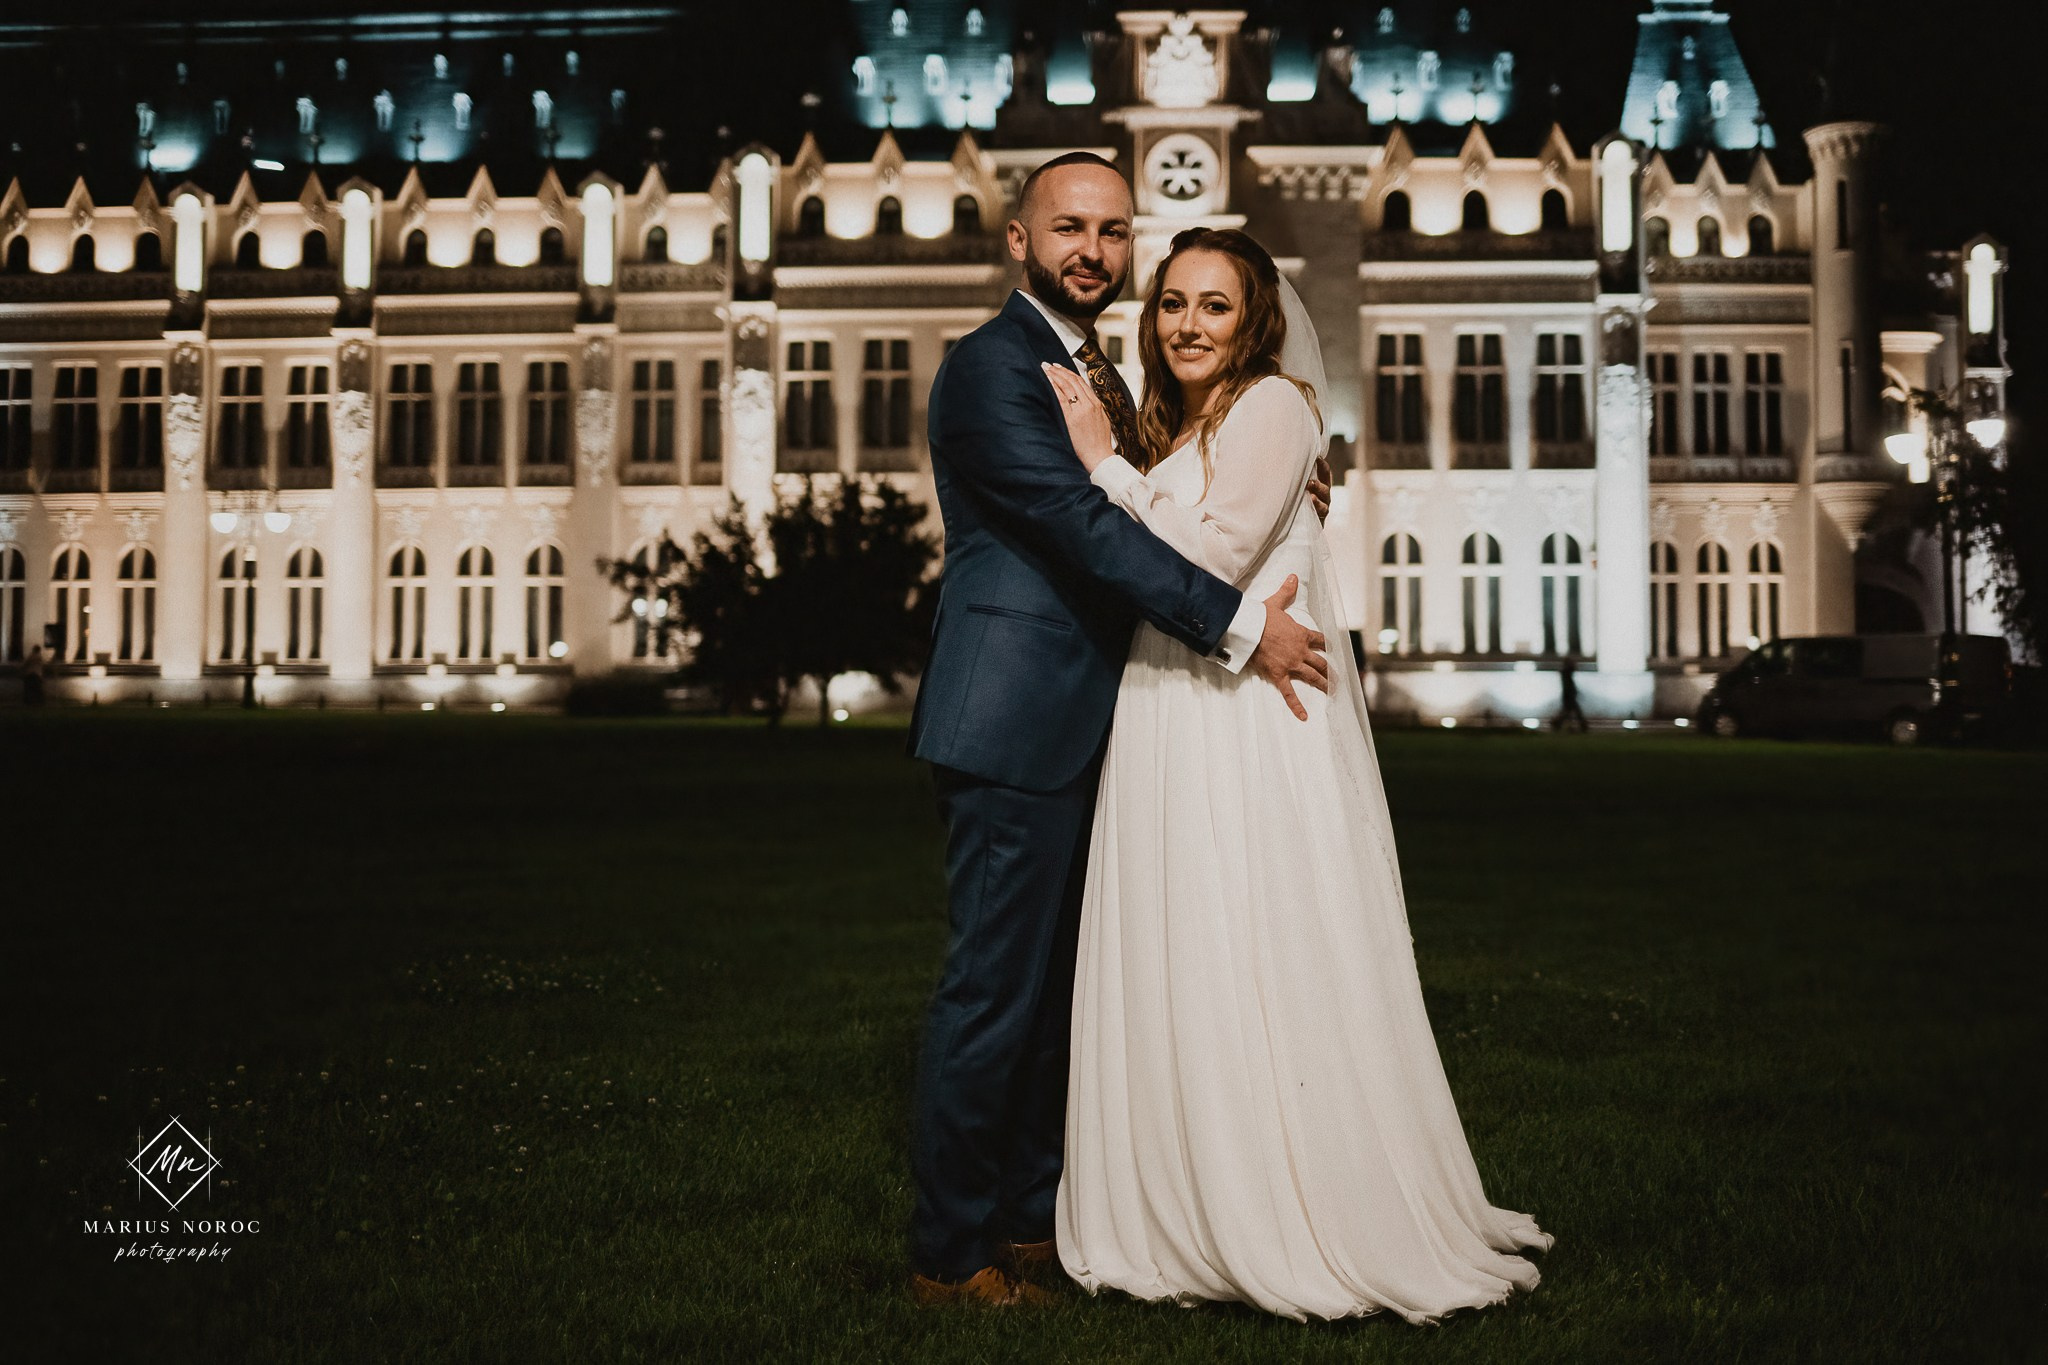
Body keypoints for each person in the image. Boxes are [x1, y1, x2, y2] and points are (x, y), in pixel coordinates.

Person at [1042, 226, 1553, 1324]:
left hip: (1237, 714)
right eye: (1171, 302)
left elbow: (1213, 557)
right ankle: (1186, 1196)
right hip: (1173, 701)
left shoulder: (1272, 405)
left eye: (1212, 306)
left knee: (1251, 935)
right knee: (1185, 939)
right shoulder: (1192, 419)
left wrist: (1104, 468)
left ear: (1255, 318)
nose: (1185, 323)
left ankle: (1279, 1199)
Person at [904, 153, 1335, 1308]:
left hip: (1100, 719)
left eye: (1110, 231)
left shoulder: (1098, 370)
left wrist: (1285, 483)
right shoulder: (996, 370)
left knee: (1057, 998)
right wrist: (1241, 625)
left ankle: (1034, 1222)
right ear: (1017, 242)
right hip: (1011, 718)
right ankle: (949, 1255)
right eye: (1067, 229)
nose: (1090, 249)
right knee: (995, 991)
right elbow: (1082, 530)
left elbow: (1174, 503)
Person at [1555, 654, 1588, 733]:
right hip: (1569, 696)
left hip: (1568, 695)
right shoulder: (1567, 672)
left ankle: (1558, 724)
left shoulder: (1566, 673)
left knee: (1568, 712)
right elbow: (1569, 684)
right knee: (1574, 712)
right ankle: (1582, 727)